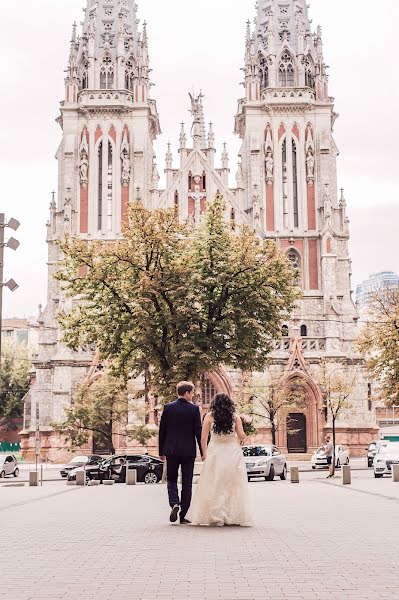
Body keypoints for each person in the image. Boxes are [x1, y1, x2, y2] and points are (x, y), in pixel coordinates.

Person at [186, 393, 253, 527]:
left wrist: (204, 453)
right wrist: (244, 430)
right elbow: (241, 435)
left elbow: (203, 438)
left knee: (214, 484)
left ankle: (216, 516)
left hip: (215, 452)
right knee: (232, 485)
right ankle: (231, 515)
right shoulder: (235, 417)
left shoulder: (209, 416)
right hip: (232, 453)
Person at [159, 381, 202, 524]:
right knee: (187, 483)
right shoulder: (194, 409)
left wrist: (161, 451)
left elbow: (162, 432)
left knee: (171, 479)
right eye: (192, 392)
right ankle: (184, 515)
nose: (193, 394)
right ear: (187, 393)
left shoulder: (168, 408)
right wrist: (203, 451)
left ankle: (174, 503)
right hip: (188, 451)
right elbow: (198, 432)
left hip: (171, 450)